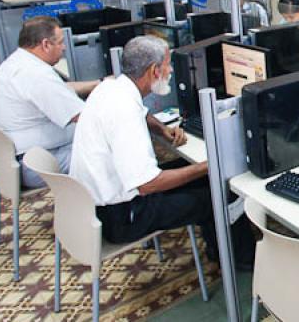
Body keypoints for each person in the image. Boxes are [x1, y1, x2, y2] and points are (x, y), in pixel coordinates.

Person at [68, 36, 224, 258]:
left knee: (200, 174)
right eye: (167, 64)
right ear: (154, 71)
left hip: (94, 206)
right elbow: (148, 184)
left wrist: (162, 129)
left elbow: (143, 113)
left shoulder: (110, 88)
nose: (170, 70)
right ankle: (235, 260)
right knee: (216, 194)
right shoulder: (124, 112)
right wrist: (210, 165)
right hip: (122, 217)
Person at [0, 16, 100, 187]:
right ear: (46, 44)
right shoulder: (36, 74)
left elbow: (59, 90)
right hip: (37, 165)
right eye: (60, 42)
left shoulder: (15, 65)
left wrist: (97, 84)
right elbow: (84, 116)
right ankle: (115, 210)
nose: (63, 48)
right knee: (108, 153)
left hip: (15, 161)